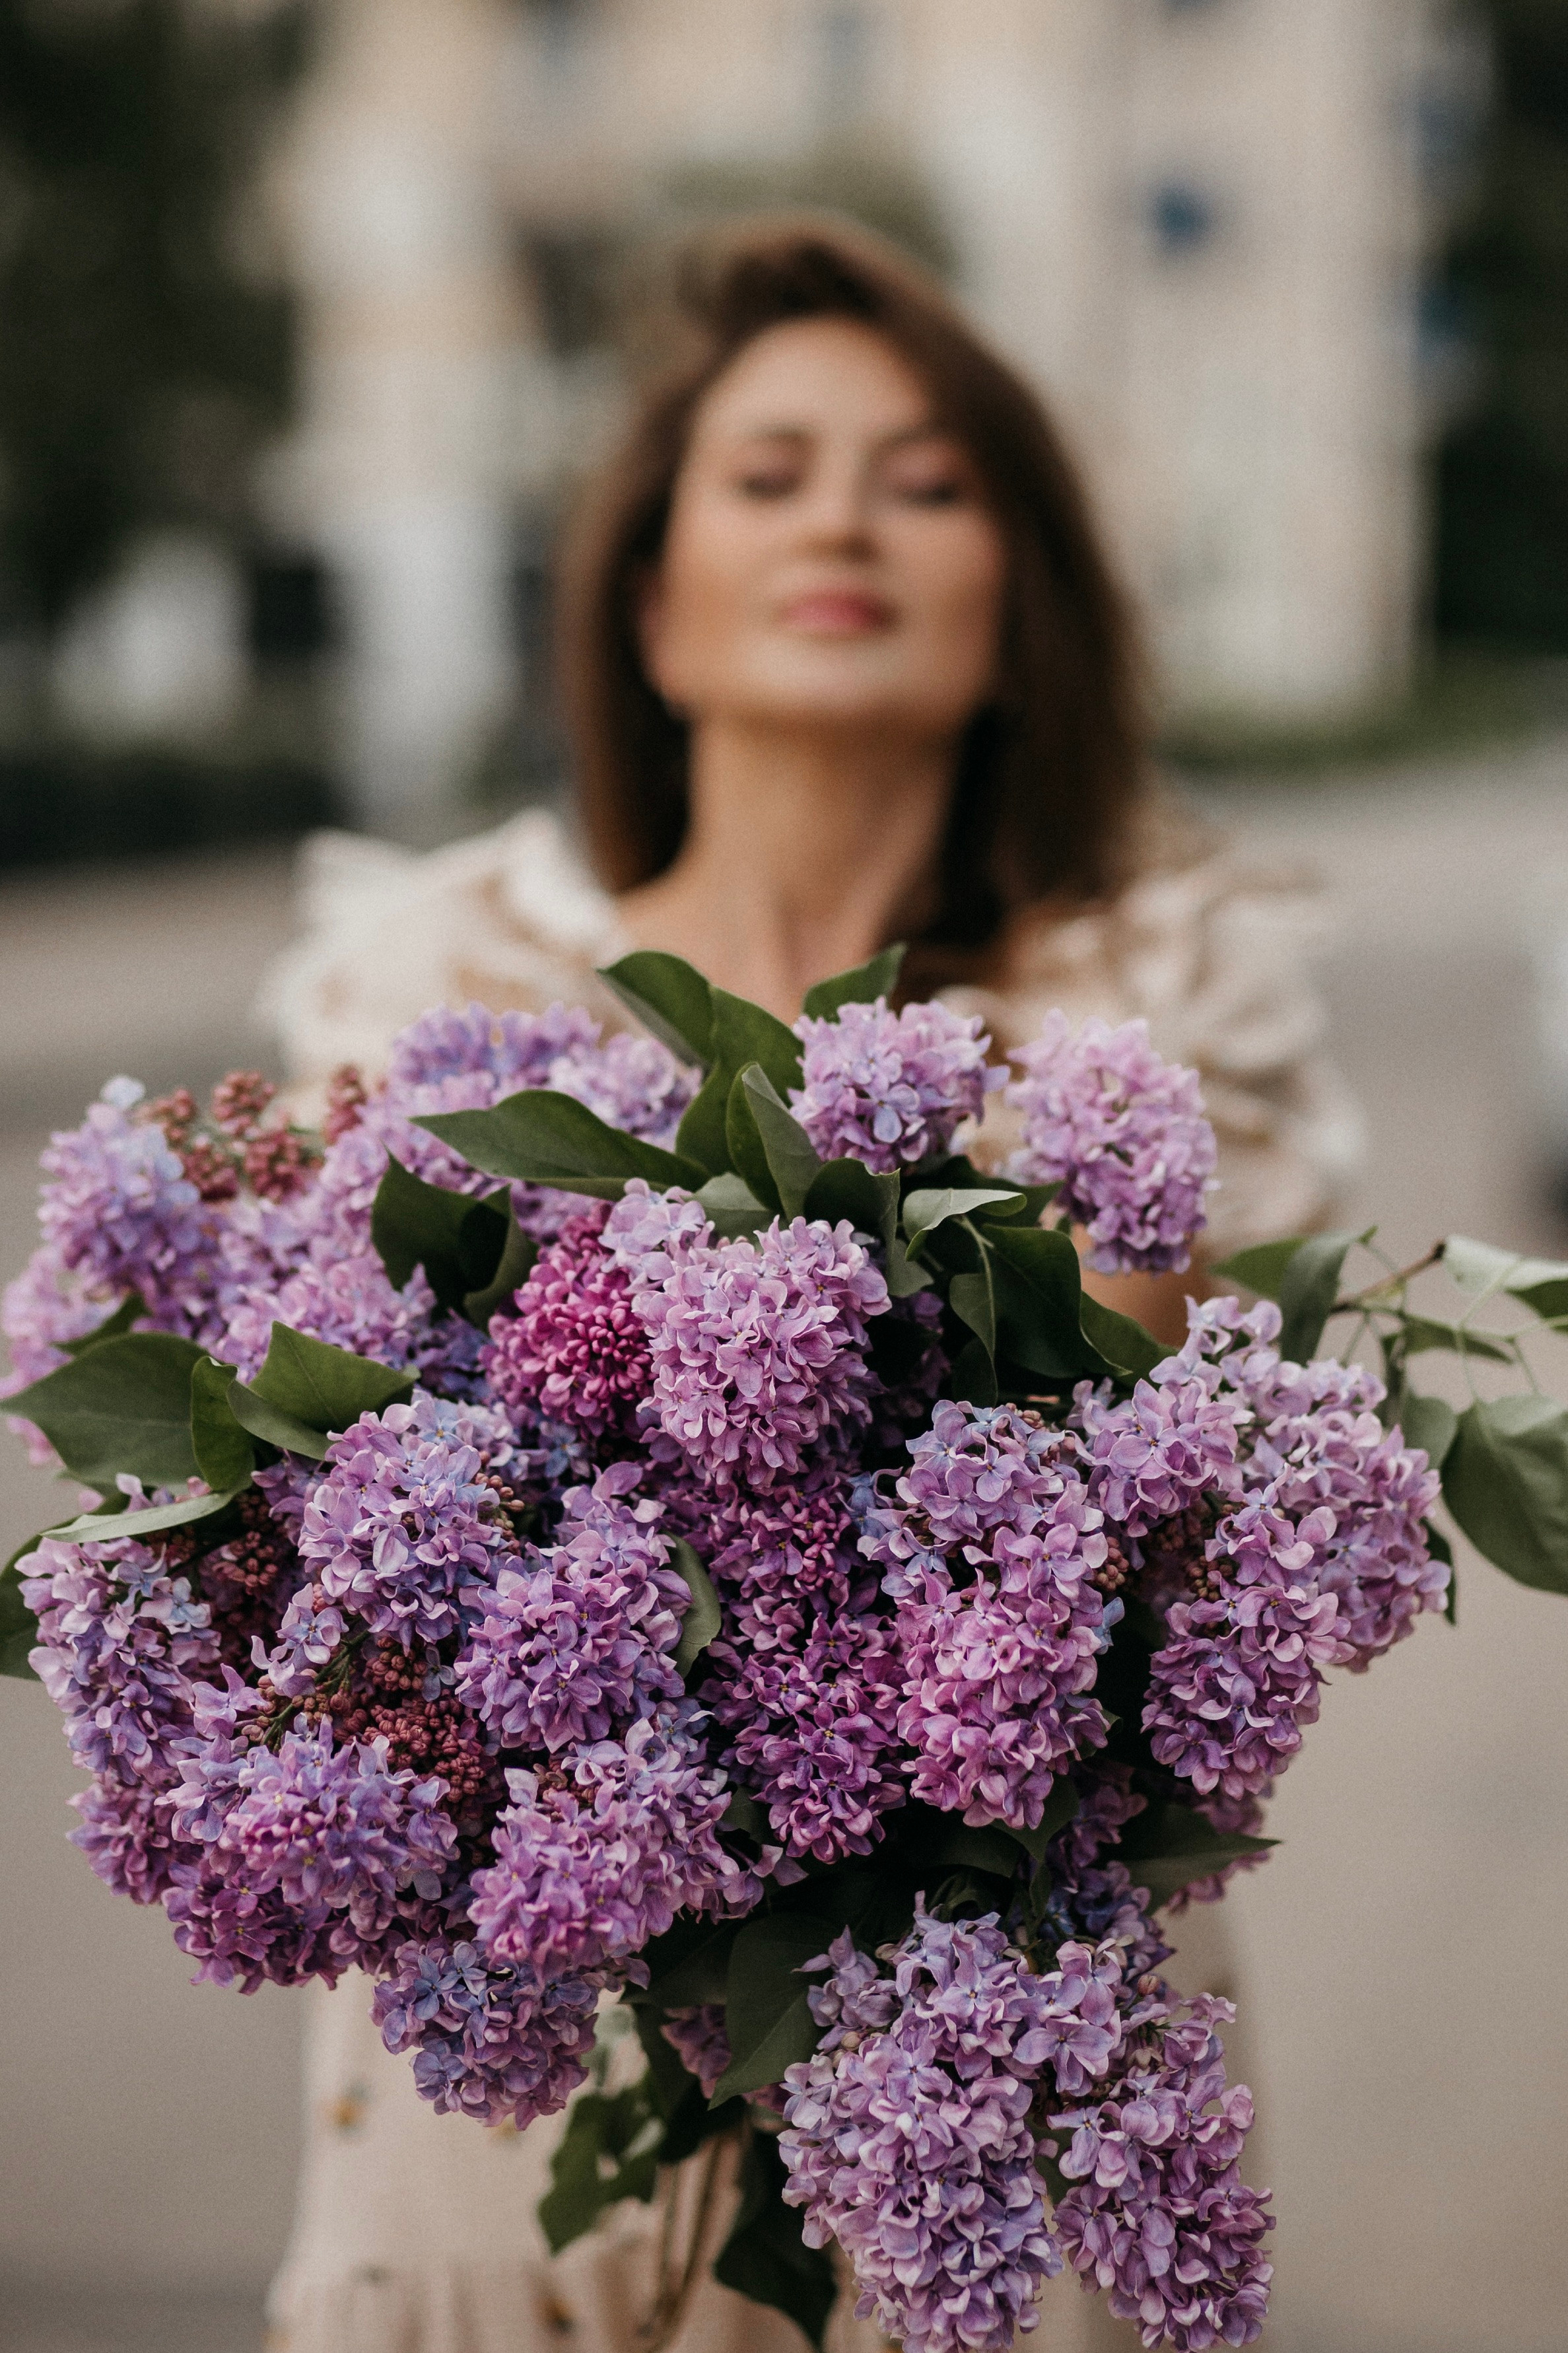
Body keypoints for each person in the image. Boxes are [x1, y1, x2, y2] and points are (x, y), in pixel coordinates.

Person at [264, 217, 1356, 2353]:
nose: (845, 514)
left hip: (1002, 2069)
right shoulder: (430, 989)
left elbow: (1136, 1576)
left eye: (927, 479)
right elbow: (323, 1550)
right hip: (513, 2075)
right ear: (654, 600)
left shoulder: (1153, 1015)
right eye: (770, 472)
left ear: (1016, 601)